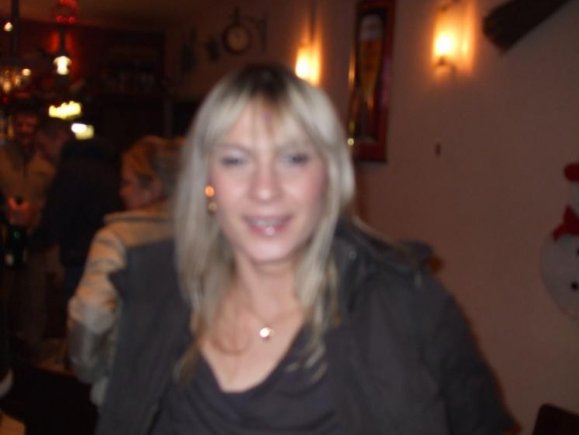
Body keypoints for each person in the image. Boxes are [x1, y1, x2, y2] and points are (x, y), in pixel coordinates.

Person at [96, 64, 513, 434]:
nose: (265, 189)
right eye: (236, 160)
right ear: (207, 182)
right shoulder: (155, 295)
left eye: (294, 158)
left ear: (329, 176)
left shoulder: (406, 304)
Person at [68, 136, 181, 407]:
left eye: (126, 183)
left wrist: (90, 369)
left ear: (153, 186)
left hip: (128, 387)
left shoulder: (117, 239)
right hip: (188, 389)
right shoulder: (203, 235)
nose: (121, 192)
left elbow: (91, 312)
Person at [0, 100, 55, 362]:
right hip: (5, 237)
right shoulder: (1, 158)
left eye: (29, 125)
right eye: (20, 124)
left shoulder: (47, 165)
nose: (24, 130)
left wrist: (36, 213)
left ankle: (33, 353)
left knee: (34, 298)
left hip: (33, 239)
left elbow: (53, 201)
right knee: (4, 296)